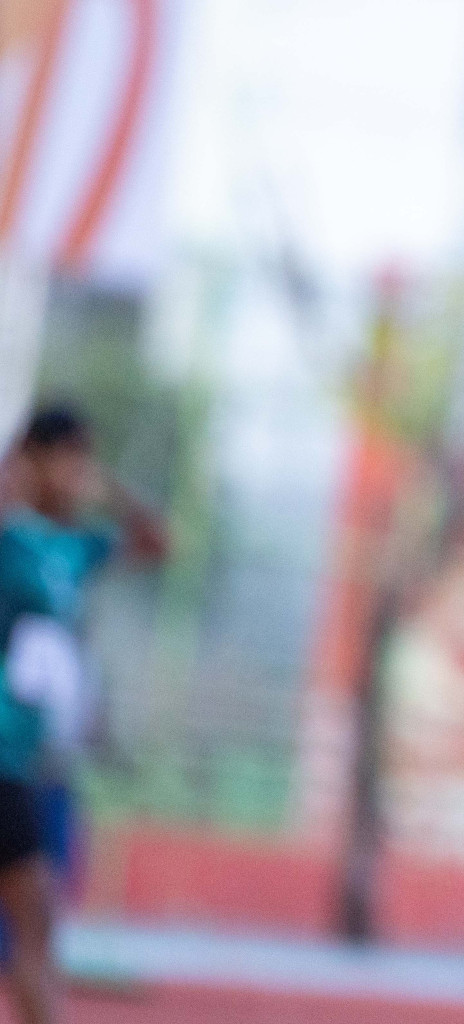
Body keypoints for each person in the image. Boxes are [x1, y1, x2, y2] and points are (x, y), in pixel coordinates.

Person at [0, 406, 166, 1024]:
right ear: (34, 458)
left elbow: (157, 541)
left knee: (38, 918)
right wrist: (14, 465)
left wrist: (112, 484)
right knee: (34, 916)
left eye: (82, 458)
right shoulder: (10, 537)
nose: (76, 473)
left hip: (32, 763)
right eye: (66, 457)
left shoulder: (74, 548)